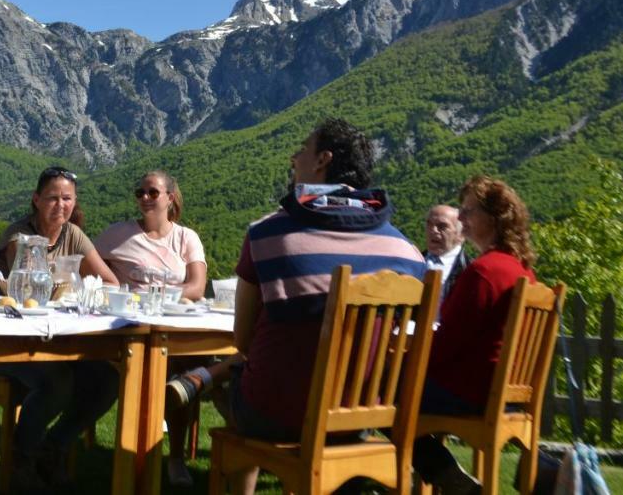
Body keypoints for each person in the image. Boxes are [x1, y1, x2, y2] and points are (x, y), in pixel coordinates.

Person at [221, 118, 426, 495]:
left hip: (278, 413)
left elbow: (243, 340)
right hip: (358, 417)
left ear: (322, 161)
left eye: (302, 149)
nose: (293, 156)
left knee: (230, 384)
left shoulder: (267, 235)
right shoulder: (407, 252)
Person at [0, 166, 120, 491]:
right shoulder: (19, 235)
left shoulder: (72, 234)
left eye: (67, 199)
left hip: (58, 339)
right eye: (52, 198)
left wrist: (78, 287)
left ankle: (54, 446)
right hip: (8, 339)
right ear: (36, 200)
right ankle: (22, 459)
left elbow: (110, 282)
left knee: (107, 379)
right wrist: (70, 283)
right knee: (57, 382)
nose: (60, 206)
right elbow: (27, 288)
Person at [413, 176, 539, 495]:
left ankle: (443, 475)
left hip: (471, 392)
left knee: (377, 392)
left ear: (494, 218)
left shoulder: (484, 272)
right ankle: (445, 475)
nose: (462, 218)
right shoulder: (522, 270)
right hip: (507, 394)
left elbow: (443, 348)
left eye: (468, 211)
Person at [95, 170, 207, 487]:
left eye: (153, 192)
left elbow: (197, 287)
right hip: (129, 330)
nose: (145, 198)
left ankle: (172, 457)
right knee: (170, 372)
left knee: (185, 369)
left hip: (175, 326)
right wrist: (114, 285)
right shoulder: (119, 234)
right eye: (140, 192)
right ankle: (148, 457)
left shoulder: (186, 238)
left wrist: (156, 296)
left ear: (170, 197)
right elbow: (86, 263)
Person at [424, 203, 470, 303]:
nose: (433, 230)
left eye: (442, 226)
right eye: (429, 224)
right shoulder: (413, 260)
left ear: (461, 234)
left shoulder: (468, 271)